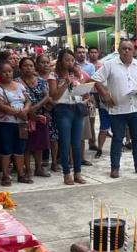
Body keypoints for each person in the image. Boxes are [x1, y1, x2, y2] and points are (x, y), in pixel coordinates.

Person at [91, 40, 137, 178]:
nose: (126, 51)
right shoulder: (110, 65)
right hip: (117, 110)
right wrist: (105, 94)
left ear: (133, 51)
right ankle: (115, 168)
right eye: (123, 48)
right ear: (118, 50)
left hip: (136, 108)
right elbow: (95, 79)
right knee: (117, 139)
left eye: (129, 49)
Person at [0, 62, 32, 186]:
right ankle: (6, 175)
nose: (8, 74)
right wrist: (18, 112)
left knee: (20, 148)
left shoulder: (20, 85)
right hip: (5, 123)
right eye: (4, 72)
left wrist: (25, 110)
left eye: (10, 71)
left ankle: (21, 174)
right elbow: (0, 104)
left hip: (21, 122)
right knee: (6, 149)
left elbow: (28, 100)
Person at [49, 49, 87, 184]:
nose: (70, 63)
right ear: (60, 61)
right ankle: (66, 173)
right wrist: (66, 83)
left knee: (76, 143)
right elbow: (53, 96)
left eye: (72, 60)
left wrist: (84, 92)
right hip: (63, 109)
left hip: (77, 108)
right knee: (65, 143)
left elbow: (82, 93)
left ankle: (78, 172)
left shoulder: (77, 74)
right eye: (67, 60)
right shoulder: (54, 75)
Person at [16, 57, 52, 180]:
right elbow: (19, 99)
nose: (28, 68)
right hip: (24, 117)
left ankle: (39, 168)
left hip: (40, 116)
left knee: (39, 144)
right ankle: (28, 169)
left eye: (31, 65)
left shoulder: (42, 81)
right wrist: (30, 112)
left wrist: (35, 109)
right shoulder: (17, 83)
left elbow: (47, 97)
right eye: (25, 66)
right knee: (26, 145)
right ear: (20, 68)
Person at [35, 54, 60, 171]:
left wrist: (51, 101)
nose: (45, 65)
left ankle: (54, 162)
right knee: (40, 137)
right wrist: (48, 99)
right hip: (38, 110)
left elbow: (56, 94)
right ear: (37, 64)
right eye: (42, 62)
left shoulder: (53, 76)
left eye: (47, 62)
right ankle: (39, 164)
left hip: (52, 110)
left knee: (53, 137)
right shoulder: (33, 77)